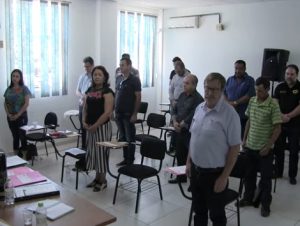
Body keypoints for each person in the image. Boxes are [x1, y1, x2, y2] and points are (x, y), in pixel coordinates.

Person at [186, 73, 241, 226]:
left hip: (215, 174)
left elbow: (235, 148)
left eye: (214, 89)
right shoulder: (199, 108)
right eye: (206, 88)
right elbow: (194, 137)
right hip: (196, 172)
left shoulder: (230, 114)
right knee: (199, 211)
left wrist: (224, 177)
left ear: (222, 90)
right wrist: (188, 162)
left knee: (216, 216)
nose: (209, 92)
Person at [240, 77, 282, 217]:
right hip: (250, 146)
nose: (257, 93)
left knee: (265, 179)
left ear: (267, 90)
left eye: (260, 91)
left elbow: (277, 128)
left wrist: (268, 146)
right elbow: (249, 121)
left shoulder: (273, 105)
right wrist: (244, 139)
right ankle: (247, 198)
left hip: (265, 150)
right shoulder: (252, 101)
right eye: (256, 90)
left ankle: (265, 205)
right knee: (248, 175)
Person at [82, 65, 114, 192]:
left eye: (99, 75)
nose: (97, 77)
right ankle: (96, 178)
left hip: (102, 127)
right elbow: (85, 108)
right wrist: (84, 121)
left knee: (101, 152)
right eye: (95, 74)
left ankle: (103, 180)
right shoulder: (90, 90)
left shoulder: (107, 92)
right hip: (90, 127)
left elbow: (107, 112)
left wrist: (95, 125)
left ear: (104, 77)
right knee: (93, 152)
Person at [168, 74, 204, 184]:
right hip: (179, 130)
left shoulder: (198, 99)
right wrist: (174, 121)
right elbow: (174, 109)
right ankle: (181, 178)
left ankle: (193, 180)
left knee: (192, 157)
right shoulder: (182, 95)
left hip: (190, 132)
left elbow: (194, 114)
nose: (184, 85)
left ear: (194, 85)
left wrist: (182, 124)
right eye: (184, 83)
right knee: (180, 154)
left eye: (187, 83)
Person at [273, 64, 300, 185]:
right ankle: (278, 172)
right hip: (280, 123)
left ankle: (292, 175)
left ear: (297, 75)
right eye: (287, 74)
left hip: (295, 125)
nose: (289, 76)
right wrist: (281, 116)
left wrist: (288, 116)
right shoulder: (279, 87)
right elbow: (275, 103)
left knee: (294, 152)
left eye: (292, 74)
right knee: (279, 149)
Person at [115, 57, 141, 166]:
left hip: (128, 113)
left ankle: (130, 160)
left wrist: (135, 114)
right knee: (123, 138)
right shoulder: (119, 78)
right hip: (119, 113)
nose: (120, 67)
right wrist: (113, 110)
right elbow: (116, 94)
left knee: (130, 138)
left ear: (129, 66)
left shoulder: (134, 79)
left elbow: (138, 97)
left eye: (123, 65)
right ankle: (125, 158)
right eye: (120, 64)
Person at [224, 60, 255, 138]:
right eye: (236, 68)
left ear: (245, 69)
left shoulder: (250, 80)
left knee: (241, 138)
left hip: (243, 115)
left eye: (240, 69)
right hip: (229, 114)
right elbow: (223, 93)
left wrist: (235, 103)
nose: (237, 71)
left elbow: (249, 95)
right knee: (229, 136)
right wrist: (228, 103)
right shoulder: (229, 79)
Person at [4, 69, 31, 154]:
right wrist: (8, 114)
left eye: (17, 76)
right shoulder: (8, 89)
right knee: (15, 137)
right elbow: (5, 103)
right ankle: (16, 158)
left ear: (20, 78)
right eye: (13, 76)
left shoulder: (24, 88)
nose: (15, 78)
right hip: (11, 117)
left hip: (21, 116)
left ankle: (24, 157)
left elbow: (26, 104)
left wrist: (18, 115)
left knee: (22, 137)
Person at [76, 56, 94, 150]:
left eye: (88, 66)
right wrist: (82, 96)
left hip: (91, 106)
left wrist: (88, 96)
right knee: (83, 127)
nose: (86, 69)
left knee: (91, 126)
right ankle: (84, 147)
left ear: (92, 65)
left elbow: (98, 93)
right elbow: (77, 91)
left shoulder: (96, 77)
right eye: (85, 67)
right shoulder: (82, 76)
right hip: (82, 104)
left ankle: (91, 146)